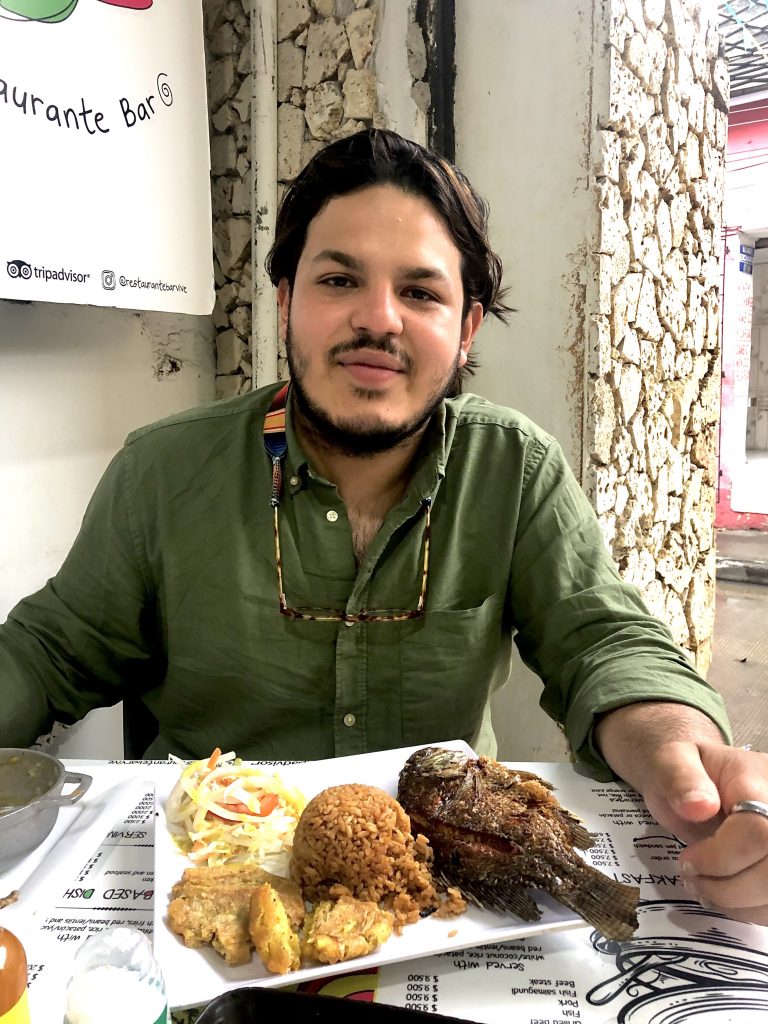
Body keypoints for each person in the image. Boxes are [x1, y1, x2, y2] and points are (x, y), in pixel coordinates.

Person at [1, 129, 766, 925]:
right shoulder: (163, 471)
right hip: (205, 895)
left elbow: (605, 644)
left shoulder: (514, 469)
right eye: (339, 278)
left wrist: (684, 757)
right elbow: (50, 651)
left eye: (421, 293)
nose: (378, 319)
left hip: (444, 900)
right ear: (287, 300)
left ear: (466, 329)